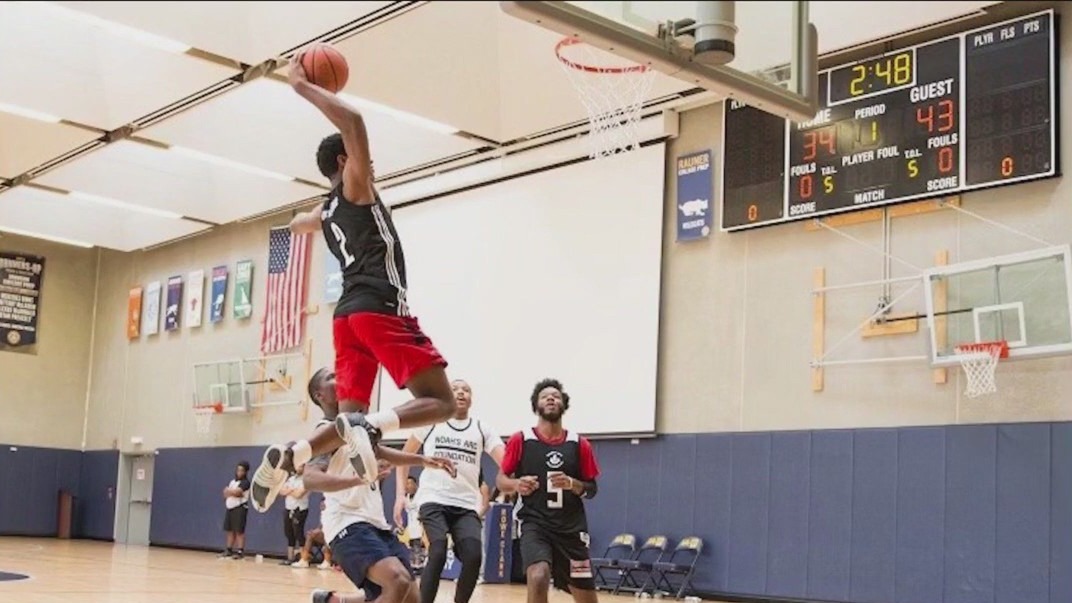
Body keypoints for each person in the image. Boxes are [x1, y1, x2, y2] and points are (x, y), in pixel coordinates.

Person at [251, 47, 458, 513]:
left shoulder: (326, 211)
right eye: (359, 159)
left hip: (347, 319)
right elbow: (356, 124)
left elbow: (298, 223)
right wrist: (305, 86)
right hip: (379, 308)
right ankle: (366, 428)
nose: (370, 164)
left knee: (350, 421)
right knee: (441, 401)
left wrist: (301, 220)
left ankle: (293, 454)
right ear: (345, 162)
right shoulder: (355, 186)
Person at [303, 408, 458, 603]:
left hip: (376, 525)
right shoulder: (326, 430)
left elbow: (380, 451)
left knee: (410, 597)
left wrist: (423, 460)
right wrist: (358, 480)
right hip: (346, 523)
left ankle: (333, 601)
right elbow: (309, 479)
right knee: (396, 581)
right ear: (321, 396)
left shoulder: (361, 427)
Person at [392, 379, 505, 603]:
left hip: (465, 504)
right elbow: (403, 459)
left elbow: (507, 460)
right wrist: (398, 496)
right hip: (434, 498)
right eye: (455, 389)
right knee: (438, 549)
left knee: (473, 556)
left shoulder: (482, 428)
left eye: (466, 390)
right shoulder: (431, 423)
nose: (461, 393)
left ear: (471, 399)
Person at [496, 379, 602, 603]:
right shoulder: (521, 439)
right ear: (536, 405)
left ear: (564, 404)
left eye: (556, 395)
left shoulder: (579, 443)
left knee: (587, 598)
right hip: (535, 523)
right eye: (545, 396)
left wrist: (574, 484)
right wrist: (517, 485)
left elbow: (592, 489)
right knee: (538, 574)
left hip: (571, 529)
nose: (551, 398)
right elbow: (500, 480)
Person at [220, 461, 251, 560]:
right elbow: (225, 493)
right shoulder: (233, 482)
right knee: (229, 530)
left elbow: (238, 493)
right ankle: (229, 549)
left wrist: (230, 491)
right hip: (230, 508)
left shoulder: (246, 482)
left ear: (245, 472)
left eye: (241, 470)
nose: (239, 472)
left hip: (240, 508)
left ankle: (240, 551)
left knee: (239, 531)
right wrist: (230, 492)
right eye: (238, 470)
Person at [281, 466, 311, 565]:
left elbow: (299, 494)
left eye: (301, 466)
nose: (298, 468)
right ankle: (290, 558)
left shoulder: (306, 480)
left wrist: (289, 490)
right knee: (289, 533)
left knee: (298, 532)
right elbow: (281, 491)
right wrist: (292, 490)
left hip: (300, 509)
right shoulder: (291, 479)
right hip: (289, 508)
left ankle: (303, 559)